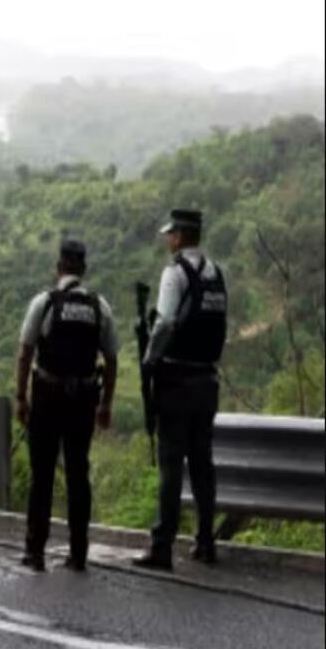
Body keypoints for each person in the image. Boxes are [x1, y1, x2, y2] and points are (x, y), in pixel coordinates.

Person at [15, 238, 118, 572]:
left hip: (47, 396)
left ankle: (35, 551)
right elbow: (112, 359)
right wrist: (106, 405)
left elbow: (25, 352)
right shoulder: (99, 307)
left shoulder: (44, 303)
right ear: (83, 270)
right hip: (83, 400)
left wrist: (20, 397)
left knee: (41, 475)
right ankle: (78, 554)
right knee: (78, 474)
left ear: (58, 268)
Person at [134, 209, 228, 571]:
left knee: (171, 466)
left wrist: (148, 360)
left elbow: (166, 324)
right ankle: (206, 542)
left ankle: (162, 547)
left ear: (179, 236)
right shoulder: (216, 274)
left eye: (170, 234)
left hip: (176, 383)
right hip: (207, 382)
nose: (168, 240)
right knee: (203, 464)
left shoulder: (175, 275)